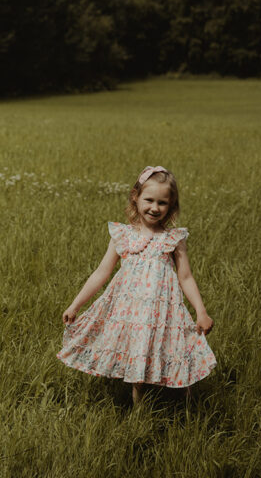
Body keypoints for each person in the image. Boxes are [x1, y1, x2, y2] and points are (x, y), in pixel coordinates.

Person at [58, 165, 215, 403]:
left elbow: (186, 277)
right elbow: (101, 273)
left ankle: (187, 406)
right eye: (149, 200)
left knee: (179, 352)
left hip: (163, 312)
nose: (154, 208)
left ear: (171, 205)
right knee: (137, 363)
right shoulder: (122, 235)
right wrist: (75, 305)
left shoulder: (173, 239)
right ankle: (139, 415)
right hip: (131, 313)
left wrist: (201, 312)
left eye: (162, 203)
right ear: (136, 197)